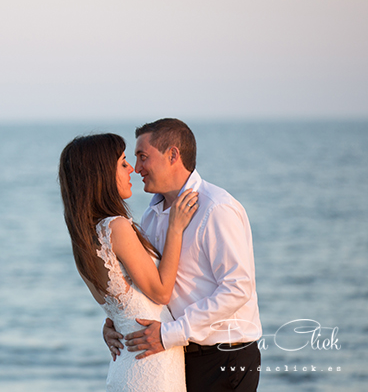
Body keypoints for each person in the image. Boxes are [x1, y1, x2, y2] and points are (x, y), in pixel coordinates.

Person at [104, 118, 262, 391]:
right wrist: (116, 323)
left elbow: (238, 288)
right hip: (176, 356)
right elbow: (147, 284)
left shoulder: (216, 208)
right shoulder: (151, 215)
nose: (137, 168)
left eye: (143, 157)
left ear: (173, 155)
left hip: (223, 358)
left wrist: (170, 334)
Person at [58, 133, 199, 392]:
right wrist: (175, 228)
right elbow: (161, 292)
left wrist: (112, 325)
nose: (131, 169)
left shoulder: (84, 239)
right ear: (101, 175)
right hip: (150, 365)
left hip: (128, 362)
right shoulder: (116, 227)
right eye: (123, 163)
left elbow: (120, 307)